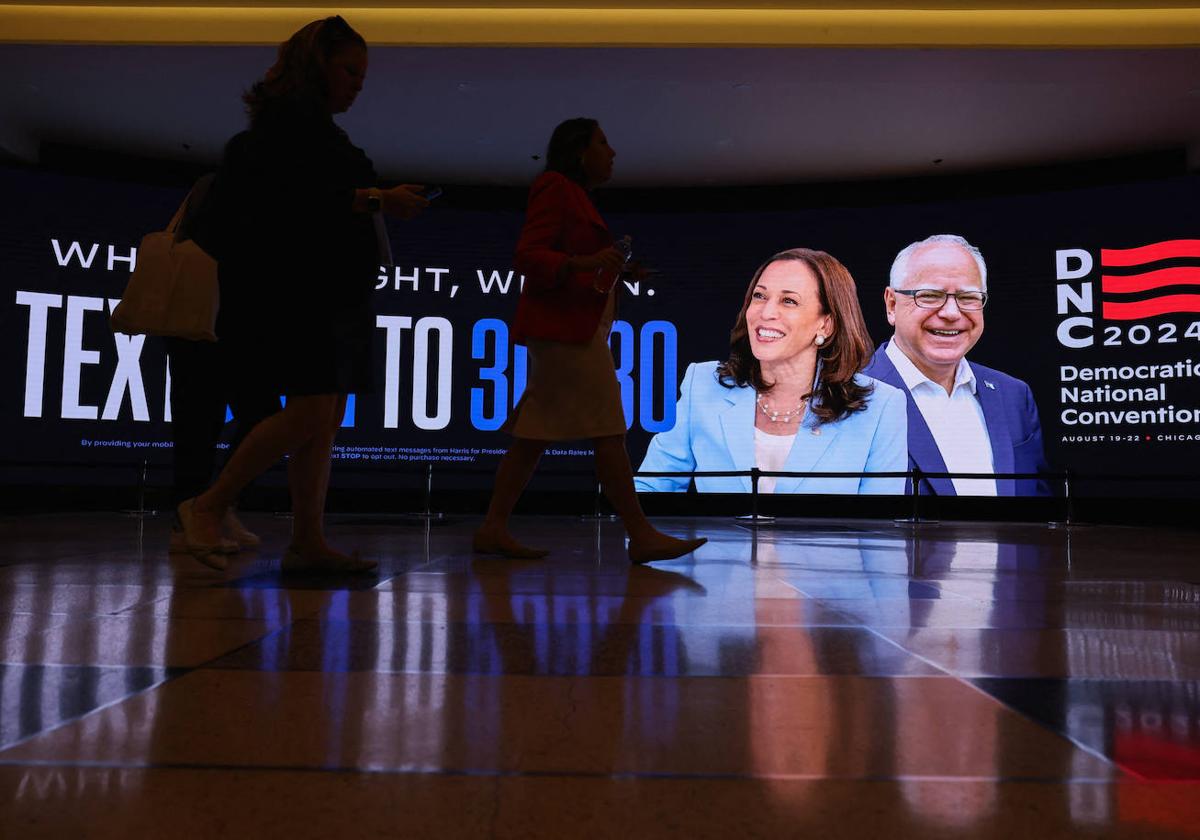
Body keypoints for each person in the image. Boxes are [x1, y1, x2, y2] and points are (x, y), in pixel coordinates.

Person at [175, 16, 428, 570]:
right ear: (318, 65)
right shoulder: (291, 127)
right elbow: (300, 198)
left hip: (329, 288)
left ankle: (307, 539)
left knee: (324, 413)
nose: (358, 83)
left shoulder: (304, 126)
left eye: (363, 74)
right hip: (307, 289)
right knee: (314, 408)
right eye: (349, 70)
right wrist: (379, 199)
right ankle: (210, 503)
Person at [473, 117, 707, 564]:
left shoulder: (573, 194)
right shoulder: (555, 187)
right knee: (608, 430)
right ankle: (640, 533)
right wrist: (586, 263)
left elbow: (562, 259)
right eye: (603, 143)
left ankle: (492, 528)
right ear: (580, 151)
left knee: (533, 436)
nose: (613, 152)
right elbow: (529, 256)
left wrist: (612, 270)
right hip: (569, 334)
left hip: (569, 331)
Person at [636, 248, 907, 494]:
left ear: (825, 325)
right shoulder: (703, 385)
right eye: (759, 296)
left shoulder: (881, 407)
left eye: (789, 301)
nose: (766, 312)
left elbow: (883, 528)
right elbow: (649, 491)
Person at [862, 234, 1051, 496]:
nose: (951, 313)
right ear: (892, 304)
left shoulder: (1014, 396)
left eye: (968, 297)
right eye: (929, 295)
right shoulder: (848, 397)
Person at [164, 175, 280, 555]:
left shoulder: (223, 186)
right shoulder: (227, 186)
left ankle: (212, 505)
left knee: (251, 416)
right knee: (202, 419)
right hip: (207, 318)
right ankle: (198, 511)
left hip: (224, 321)